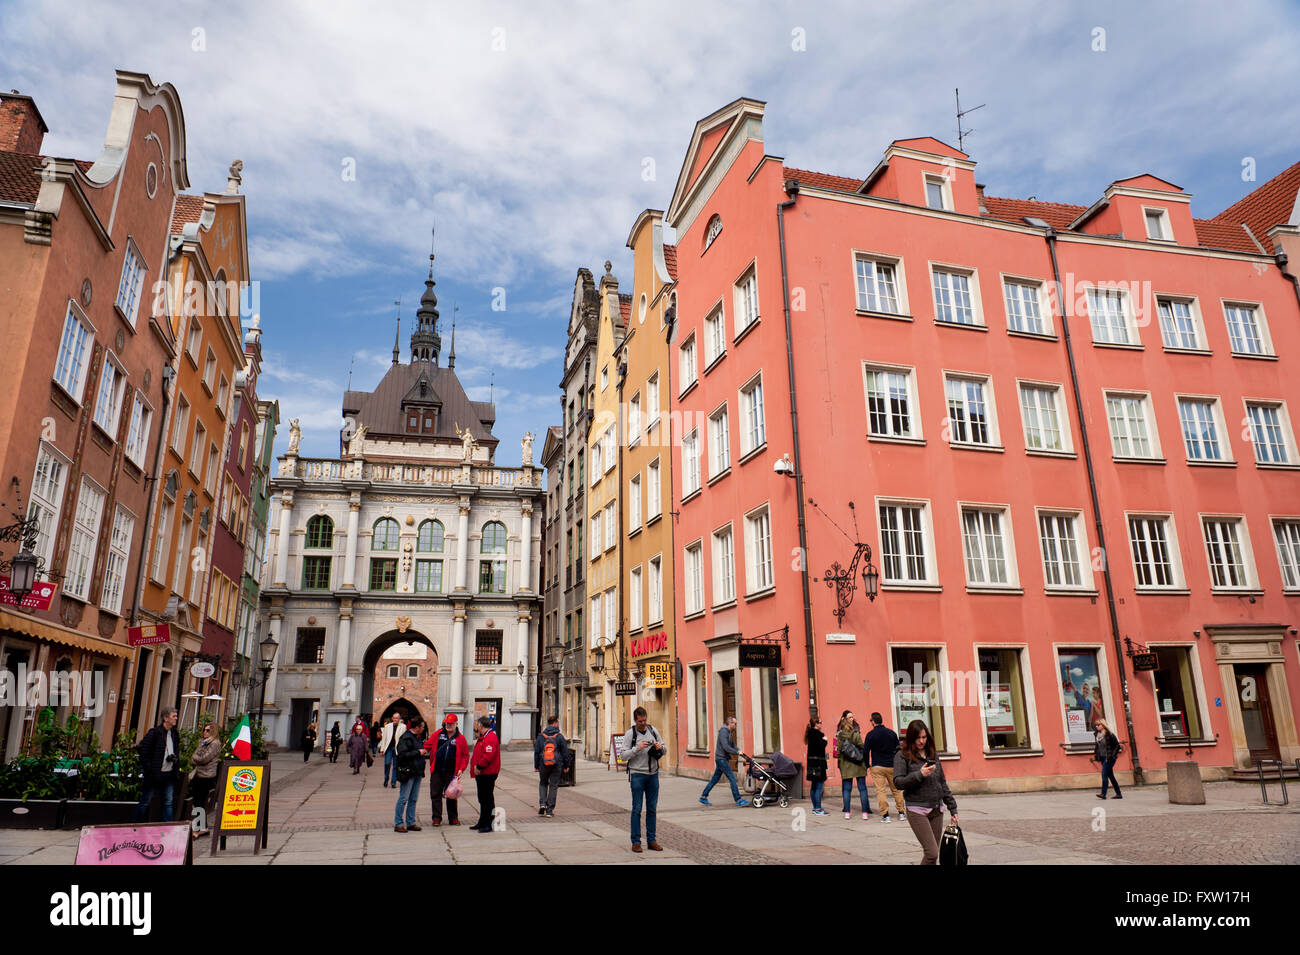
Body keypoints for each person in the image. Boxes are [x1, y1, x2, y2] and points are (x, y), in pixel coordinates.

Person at [893, 720, 959, 865]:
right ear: (911, 737)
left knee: (933, 857)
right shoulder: (902, 755)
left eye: (924, 737)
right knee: (932, 852)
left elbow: (941, 782)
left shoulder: (932, 754)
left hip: (936, 809)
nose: (921, 741)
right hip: (917, 809)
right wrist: (919, 774)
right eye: (918, 738)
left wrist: (952, 807)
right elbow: (898, 782)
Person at [623, 705, 667, 853]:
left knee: (652, 809)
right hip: (637, 775)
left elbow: (664, 749)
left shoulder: (653, 731)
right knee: (636, 809)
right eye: (640, 721)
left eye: (644, 720)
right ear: (635, 720)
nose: (643, 724)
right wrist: (637, 748)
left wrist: (659, 746)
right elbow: (623, 755)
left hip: (653, 775)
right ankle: (636, 842)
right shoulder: (630, 734)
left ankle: (651, 840)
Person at [134, 707, 181, 822]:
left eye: (176, 716)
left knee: (168, 802)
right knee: (145, 801)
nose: (176, 718)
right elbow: (143, 752)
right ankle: (136, 825)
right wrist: (150, 770)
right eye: (173, 716)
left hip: (169, 774)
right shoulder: (154, 733)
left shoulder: (174, 734)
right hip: (154, 774)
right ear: (165, 718)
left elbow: (176, 750)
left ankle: (168, 827)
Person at [426, 714, 470, 826]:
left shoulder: (460, 738)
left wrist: (461, 768)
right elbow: (427, 745)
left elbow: (465, 755)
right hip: (437, 770)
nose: (448, 725)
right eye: (447, 723)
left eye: (451, 723)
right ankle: (436, 818)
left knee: (451, 795)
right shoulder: (438, 734)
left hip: (452, 771)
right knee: (435, 794)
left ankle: (453, 818)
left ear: (456, 724)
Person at [698, 716, 750, 807]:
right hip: (721, 759)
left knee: (715, 779)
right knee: (732, 778)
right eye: (735, 724)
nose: (736, 725)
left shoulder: (729, 732)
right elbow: (726, 747)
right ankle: (738, 800)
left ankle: (703, 796)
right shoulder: (723, 732)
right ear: (730, 723)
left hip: (722, 759)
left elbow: (732, 745)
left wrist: (739, 751)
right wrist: (736, 752)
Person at [864, 712, 906, 823]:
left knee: (881, 791)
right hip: (891, 765)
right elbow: (898, 749)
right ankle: (901, 813)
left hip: (877, 766)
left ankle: (885, 815)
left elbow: (865, 751)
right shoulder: (891, 733)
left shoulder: (870, 735)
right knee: (896, 790)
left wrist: (867, 764)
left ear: (873, 722)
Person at [188, 721, 222, 837]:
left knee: (200, 802)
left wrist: (196, 758)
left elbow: (204, 759)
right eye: (204, 730)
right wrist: (196, 758)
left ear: (213, 731)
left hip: (206, 776)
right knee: (197, 802)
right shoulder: (203, 743)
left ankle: (199, 828)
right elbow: (193, 758)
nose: (205, 732)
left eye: (208, 730)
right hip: (198, 774)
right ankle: (203, 827)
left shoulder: (215, 743)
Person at [393, 716, 426, 832]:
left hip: (417, 772)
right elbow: (402, 755)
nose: (423, 729)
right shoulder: (406, 738)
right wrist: (418, 752)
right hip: (408, 772)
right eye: (422, 727)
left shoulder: (417, 738)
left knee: (413, 799)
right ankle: (398, 823)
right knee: (403, 799)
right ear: (416, 727)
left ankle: (411, 822)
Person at [836, 710, 871, 820]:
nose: (852, 719)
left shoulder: (839, 735)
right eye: (850, 718)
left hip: (846, 765)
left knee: (846, 789)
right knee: (862, 789)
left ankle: (847, 812)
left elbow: (837, 751)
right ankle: (864, 813)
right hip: (858, 763)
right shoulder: (856, 734)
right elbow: (862, 747)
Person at [469, 716, 501, 832]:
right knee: (482, 798)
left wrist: (479, 766)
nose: (477, 727)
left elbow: (488, 755)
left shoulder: (490, 737)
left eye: (478, 724)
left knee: (487, 799)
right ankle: (482, 821)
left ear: (481, 725)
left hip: (487, 772)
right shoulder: (484, 737)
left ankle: (489, 823)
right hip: (482, 773)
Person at [534, 715, 570, 817]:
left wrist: (536, 765)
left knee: (543, 783)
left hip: (543, 764)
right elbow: (565, 752)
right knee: (553, 786)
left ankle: (542, 804)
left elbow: (537, 752)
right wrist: (566, 765)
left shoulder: (541, 736)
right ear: (554, 723)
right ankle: (549, 811)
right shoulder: (559, 736)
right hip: (556, 764)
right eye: (558, 722)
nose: (558, 724)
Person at [1093, 718, 1123, 799]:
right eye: (1095, 725)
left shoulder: (1109, 734)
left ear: (1103, 725)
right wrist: (1097, 755)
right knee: (1111, 776)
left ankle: (1103, 793)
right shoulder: (1097, 735)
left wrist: (1113, 756)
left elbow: (1117, 746)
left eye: (1098, 725)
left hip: (1109, 758)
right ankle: (1119, 794)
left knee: (1104, 774)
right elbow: (1097, 747)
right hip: (1102, 758)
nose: (1096, 726)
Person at [804, 716, 828, 815]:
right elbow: (820, 747)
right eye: (820, 722)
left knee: (813, 786)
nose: (821, 724)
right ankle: (818, 808)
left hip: (811, 763)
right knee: (819, 786)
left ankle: (815, 807)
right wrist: (825, 740)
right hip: (819, 763)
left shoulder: (809, 734)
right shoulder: (818, 734)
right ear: (816, 724)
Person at [378, 712, 406, 788]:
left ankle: (393, 782)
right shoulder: (387, 726)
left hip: (397, 749)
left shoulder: (403, 727)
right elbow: (384, 739)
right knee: (387, 764)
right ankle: (386, 779)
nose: (395, 719)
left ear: (399, 719)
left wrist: (403, 750)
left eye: (397, 718)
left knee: (395, 766)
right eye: (394, 718)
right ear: (392, 718)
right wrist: (382, 749)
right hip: (389, 748)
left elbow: (404, 739)